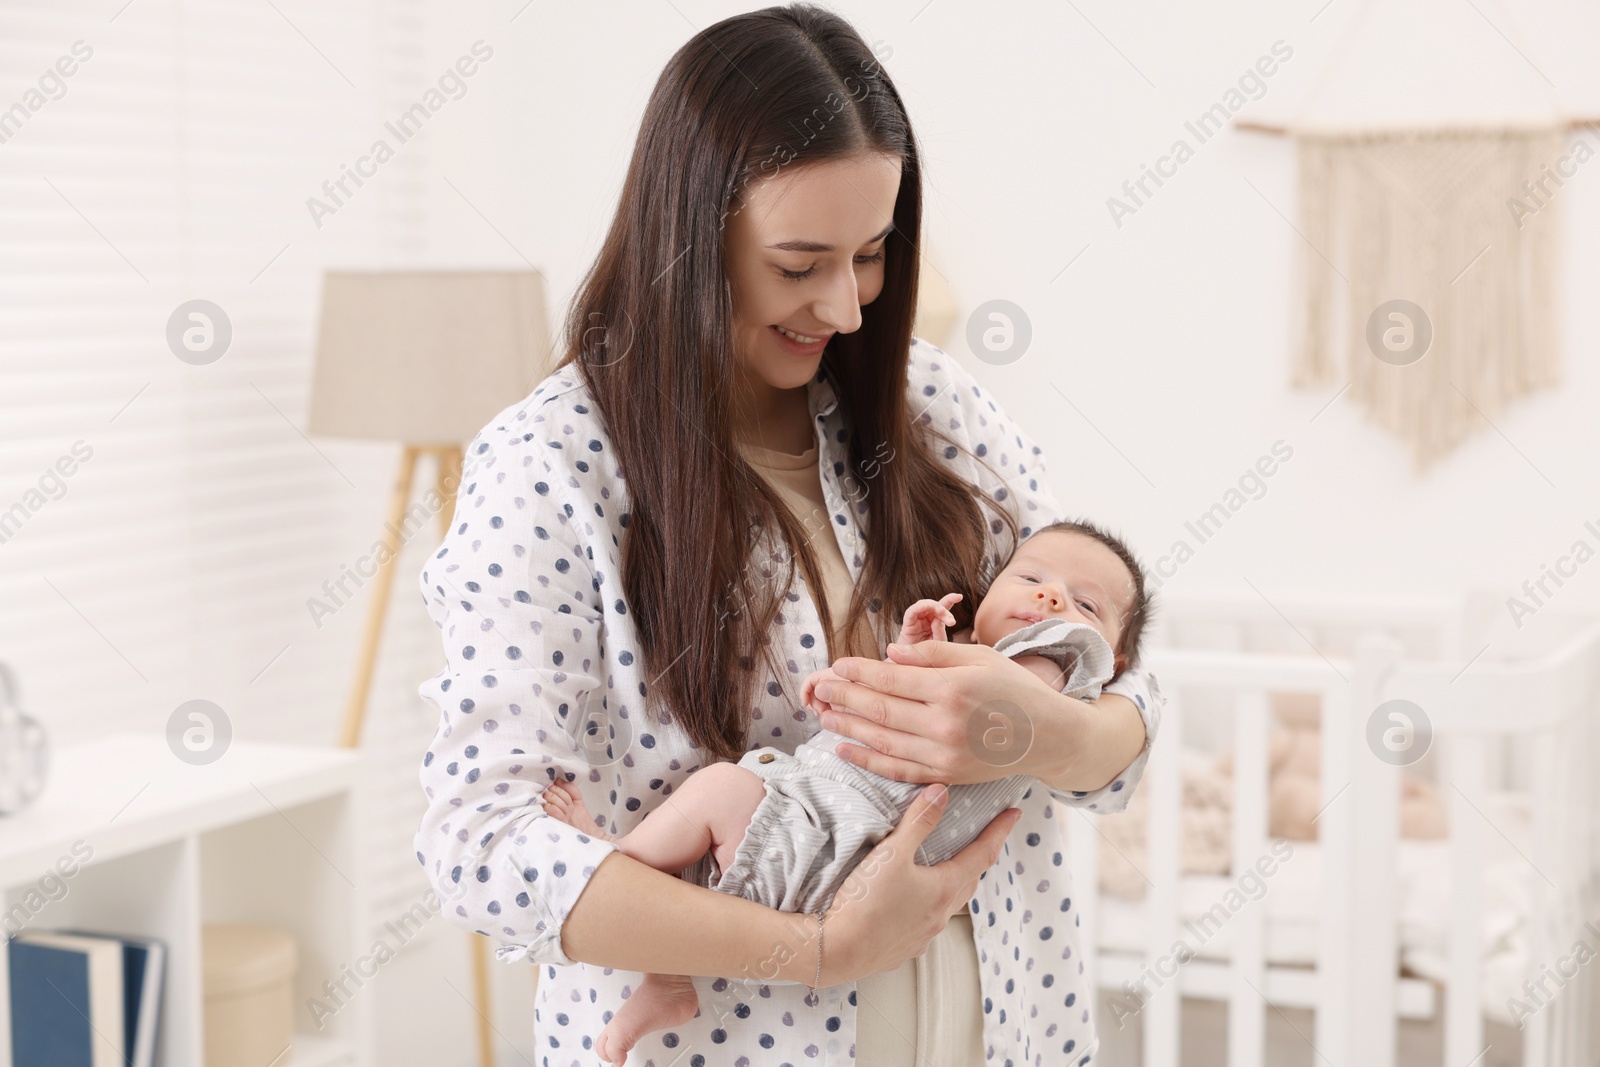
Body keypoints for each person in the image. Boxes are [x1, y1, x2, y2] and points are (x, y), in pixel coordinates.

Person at [413, 5, 1165, 1065]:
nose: (847, 309)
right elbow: (483, 847)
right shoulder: (550, 469)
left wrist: (1045, 731)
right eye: (799, 261)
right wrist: (815, 947)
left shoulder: (930, 409)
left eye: (869, 255)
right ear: (690, 234)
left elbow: (1125, 692)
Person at [541, 520, 1155, 1065]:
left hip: (844, 838)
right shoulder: (987, 658)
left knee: (717, 793)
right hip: (818, 812)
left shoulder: (1061, 668)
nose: (1051, 597)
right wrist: (920, 651)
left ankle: (615, 858)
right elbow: (927, 704)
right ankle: (669, 977)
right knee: (708, 840)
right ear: (990, 590)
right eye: (1031, 577)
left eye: (1085, 604)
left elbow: (1017, 700)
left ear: (1113, 660)